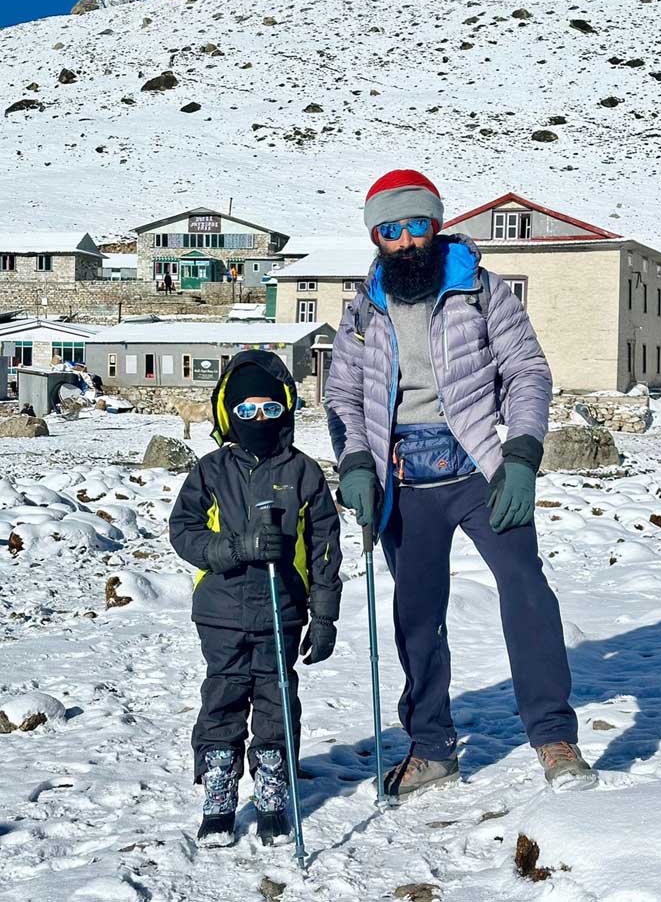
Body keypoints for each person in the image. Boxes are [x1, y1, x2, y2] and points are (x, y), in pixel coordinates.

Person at [324, 169, 593, 799]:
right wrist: (355, 464)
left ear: (436, 225)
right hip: (402, 480)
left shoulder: (481, 289)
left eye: (415, 225)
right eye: (389, 231)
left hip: (478, 468)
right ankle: (433, 749)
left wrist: (522, 456)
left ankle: (554, 737)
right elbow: (341, 396)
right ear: (377, 238)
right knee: (417, 616)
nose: (405, 241)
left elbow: (526, 370)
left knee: (527, 591)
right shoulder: (363, 310)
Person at [169, 350, 342, 847]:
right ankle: (219, 792)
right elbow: (183, 531)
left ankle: (271, 789)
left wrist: (324, 616)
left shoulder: (304, 473)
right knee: (222, 696)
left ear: (285, 409)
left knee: (276, 700)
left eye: (269, 409)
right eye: (246, 411)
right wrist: (232, 548)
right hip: (221, 612)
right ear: (228, 414)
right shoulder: (211, 470)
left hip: (281, 611)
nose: (259, 420)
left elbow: (326, 549)